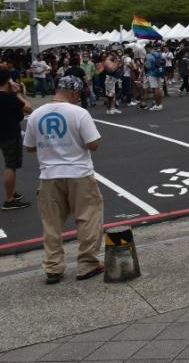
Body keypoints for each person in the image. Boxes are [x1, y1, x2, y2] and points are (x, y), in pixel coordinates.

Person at [23, 76, 104, 284]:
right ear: (75, 92)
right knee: (88, 218)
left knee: (51, 223)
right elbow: (93, 144)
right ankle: (87, 263)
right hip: (79, 173)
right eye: (79, 94)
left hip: (49, 175)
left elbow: (30, 147)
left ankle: (53, 267)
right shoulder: (79, 113)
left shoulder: (36, 115)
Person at [0, 67, 32, 210]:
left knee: (9, 164)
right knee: (11, 165)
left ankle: (11, 192)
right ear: (7, 80)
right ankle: (9, 199)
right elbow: (28, 108)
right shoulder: (9, 98)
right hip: (10, 134)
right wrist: (18, 93)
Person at [144, 43, 165, 111]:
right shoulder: (158, 53)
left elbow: (148, 66)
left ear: (147, 48)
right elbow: (163, 62)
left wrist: (144, 64)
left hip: (152, 73)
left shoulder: (148, 55)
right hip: (159, 71)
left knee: (155, 89)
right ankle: (160, 104)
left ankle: (157, 104)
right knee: (159, 88)